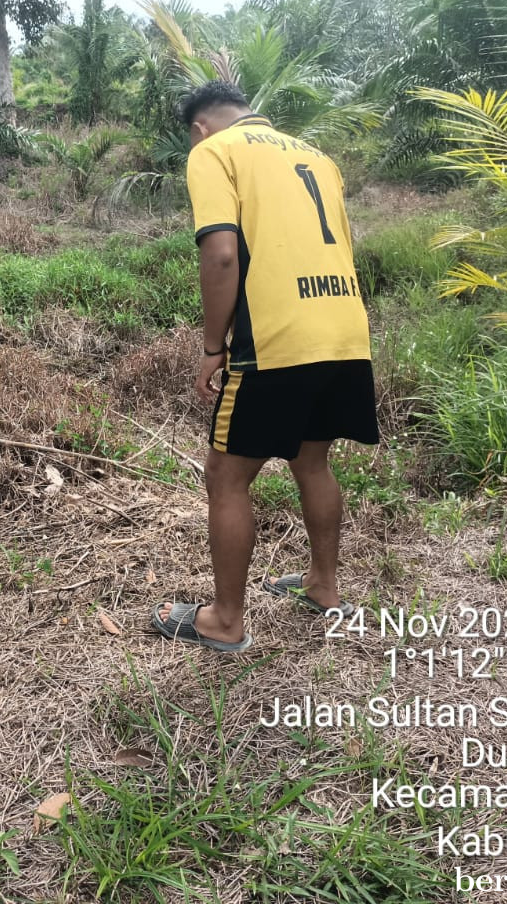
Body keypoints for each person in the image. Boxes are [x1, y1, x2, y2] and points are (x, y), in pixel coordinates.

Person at [151, 82, 379, 652]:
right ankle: (323, 586)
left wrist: (211, 346)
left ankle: (224, 621)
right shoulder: (316, 157)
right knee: (313, 461)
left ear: (201, 127)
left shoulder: (214, 151)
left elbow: (222, 252)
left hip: (275, 340)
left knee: (226, 479)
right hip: (344, 332)